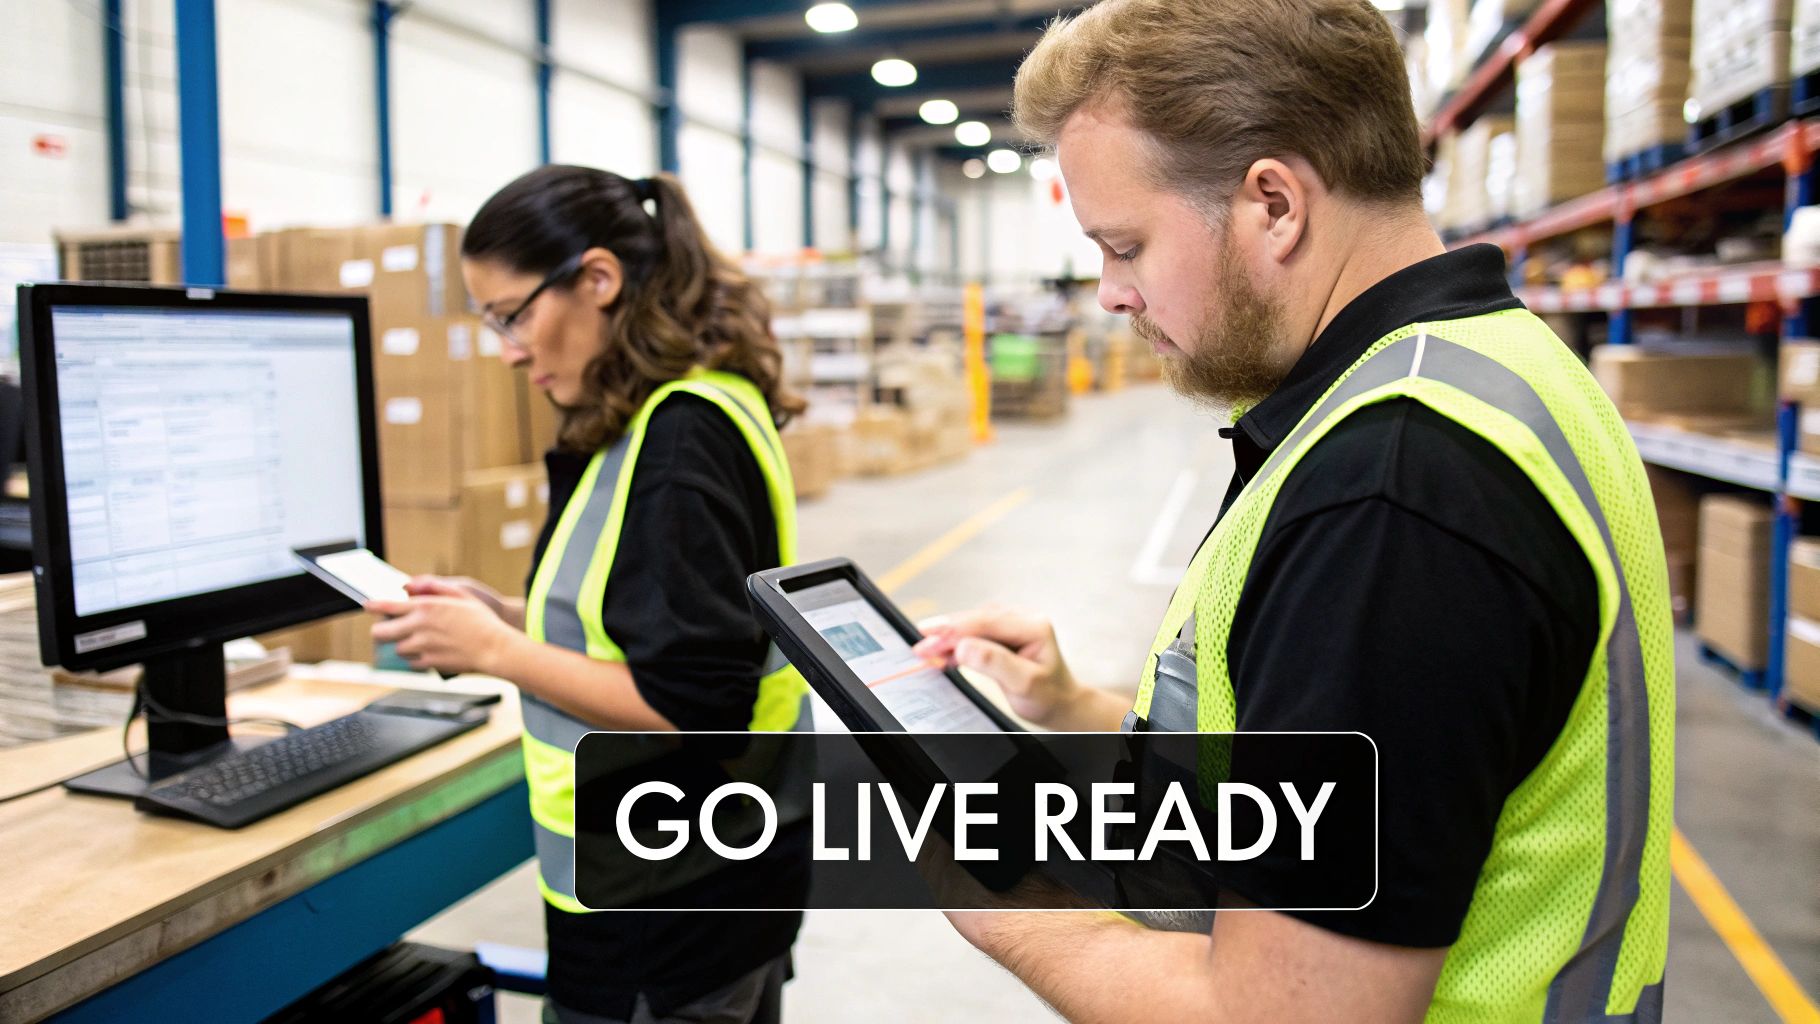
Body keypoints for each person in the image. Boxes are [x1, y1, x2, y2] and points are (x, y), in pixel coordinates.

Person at [912, 1, 1674, 1020]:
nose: (1109, 294)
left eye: (1125, 246)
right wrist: (1082, 711)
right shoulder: (1495, 364)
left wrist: (1011, 902)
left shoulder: (1390, 496)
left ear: (1273, 203)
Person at [367, 165, 810, 1024]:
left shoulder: (676, 443)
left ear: (598, 279)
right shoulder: (688, 406)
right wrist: (505, 616)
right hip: (725, 876)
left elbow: (694, 706)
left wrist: (498, 653)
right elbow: (658, 616)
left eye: (512, 315)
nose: (508, 349)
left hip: (665, 910)